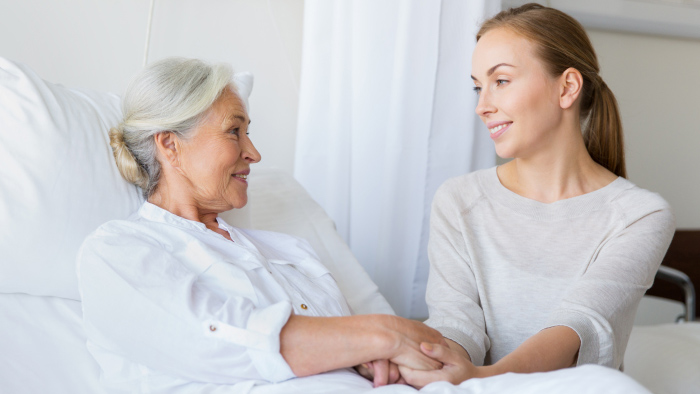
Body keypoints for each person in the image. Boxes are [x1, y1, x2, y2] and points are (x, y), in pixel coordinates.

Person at [76, 57, 444, 392]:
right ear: (170, 145)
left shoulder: (290, 251)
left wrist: (368, 355)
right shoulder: (119, 250)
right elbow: (213, 340)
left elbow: (354, 352)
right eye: (234, 131)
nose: (254, 153)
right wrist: (382, 335)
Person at [397, 3, 675, 388]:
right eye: (478, 86)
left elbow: (578, 324)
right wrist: (442, 365)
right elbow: (456, 321)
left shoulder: (640, 215)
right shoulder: (458, 200)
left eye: (502, 81)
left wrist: (484, 379)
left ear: (567, 87)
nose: (482, 106)